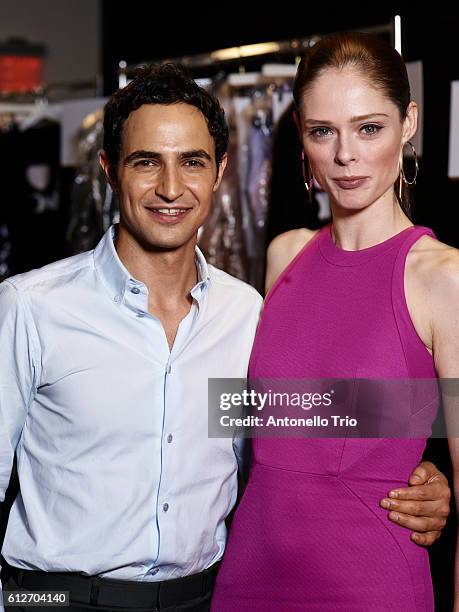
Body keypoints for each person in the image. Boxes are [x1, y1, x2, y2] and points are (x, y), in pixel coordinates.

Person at [0, 62, 450, 612]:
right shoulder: (32, 306)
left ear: (219, 174)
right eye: (146, 162)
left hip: (209, 596)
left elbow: (293, 418)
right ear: (110, 171)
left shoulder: (245, 311)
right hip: (56, 599)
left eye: (192, 162)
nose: (170, 188)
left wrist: (415, 471)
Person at [211, 32, 458, 611]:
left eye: (369, 128)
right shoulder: (283, 255)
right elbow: (276, 421)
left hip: (369, 585)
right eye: (324, 131)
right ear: (302, 133)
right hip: (248, 578)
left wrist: (412, 467)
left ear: (409, 122)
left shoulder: (441, 277)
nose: (345, 155)